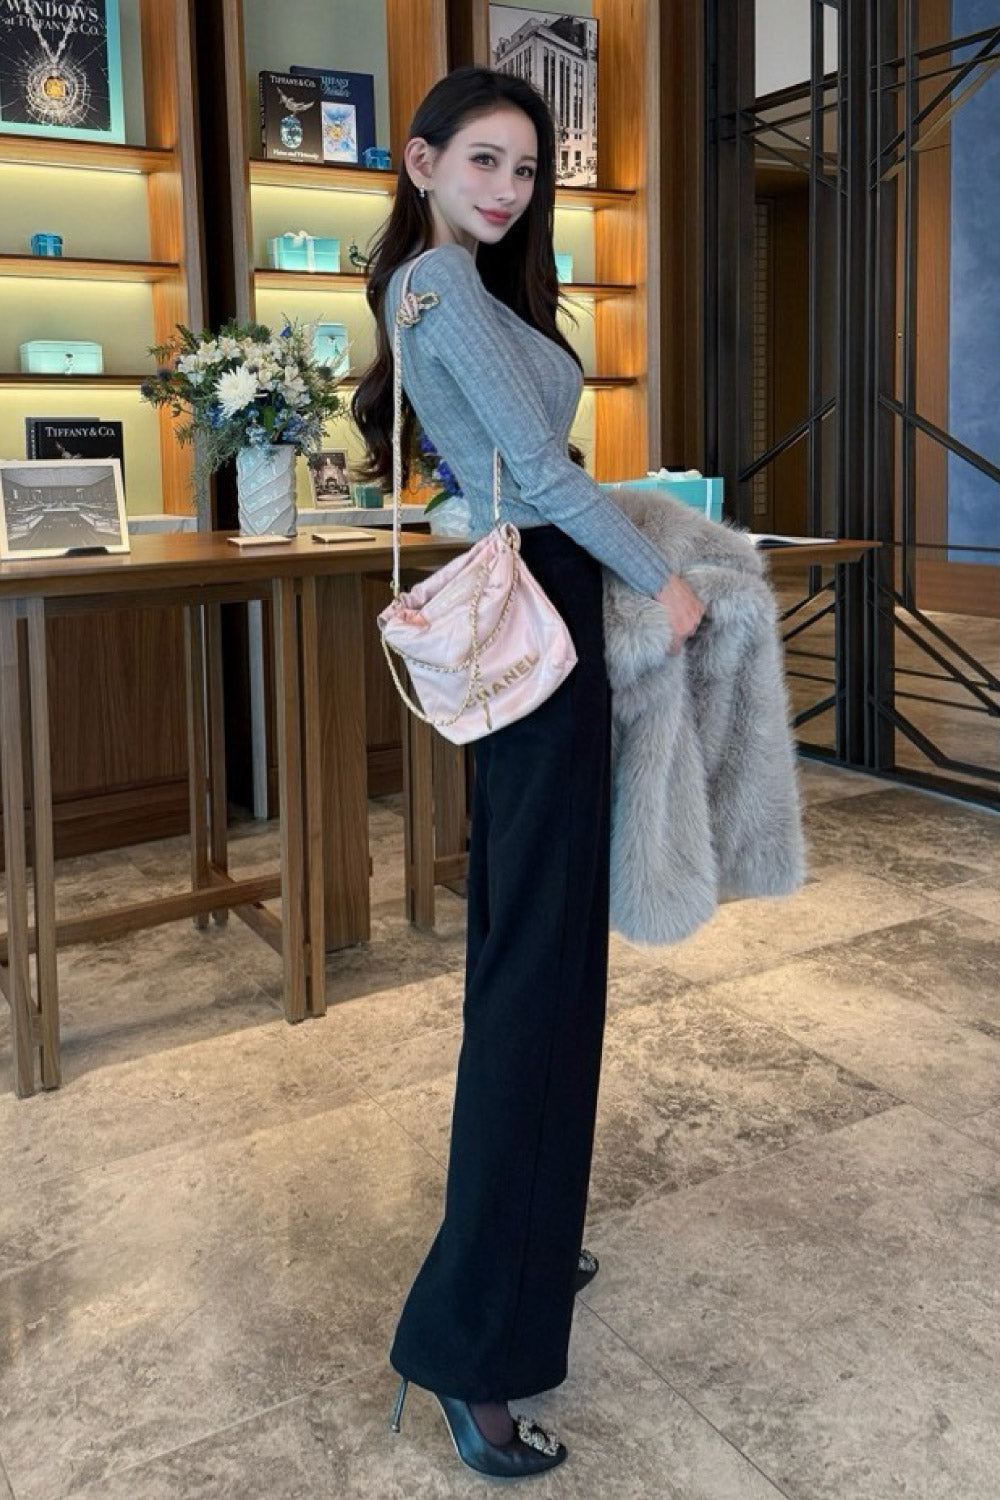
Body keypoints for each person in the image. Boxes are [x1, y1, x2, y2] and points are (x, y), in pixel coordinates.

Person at [352, 66, 704, 1479]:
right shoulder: (439, 284)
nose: (506, 187)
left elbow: (503, 468)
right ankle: (470, 1347)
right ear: (423, 161)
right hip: (544, 612)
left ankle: (529, 1246)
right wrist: (658, 579)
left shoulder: (464, 291)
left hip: (543, 614)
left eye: (524, 167)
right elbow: (545, 478)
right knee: (534, 971)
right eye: (483, 160)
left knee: (544, 960)